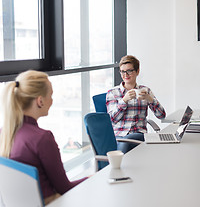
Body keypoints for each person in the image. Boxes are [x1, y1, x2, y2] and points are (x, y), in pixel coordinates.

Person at [0, 70, 87, 205]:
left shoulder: (4, 133)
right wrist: (92, 177)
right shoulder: (42, 139)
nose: (52, 100)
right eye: (51, 95)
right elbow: (64, 188)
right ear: (40, 101)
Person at [106, 55, 166, 152]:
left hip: (139, 135)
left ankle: (119, 162)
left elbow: (162, 115)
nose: (126, 74)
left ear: (137, 71)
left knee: (128, 143)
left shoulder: (145, 90)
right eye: (123, 71)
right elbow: (112, 119)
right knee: (125, 143)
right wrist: (124, 101)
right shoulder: (112, 93)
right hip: (120, 137)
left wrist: (150, 99)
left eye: (129, 71)